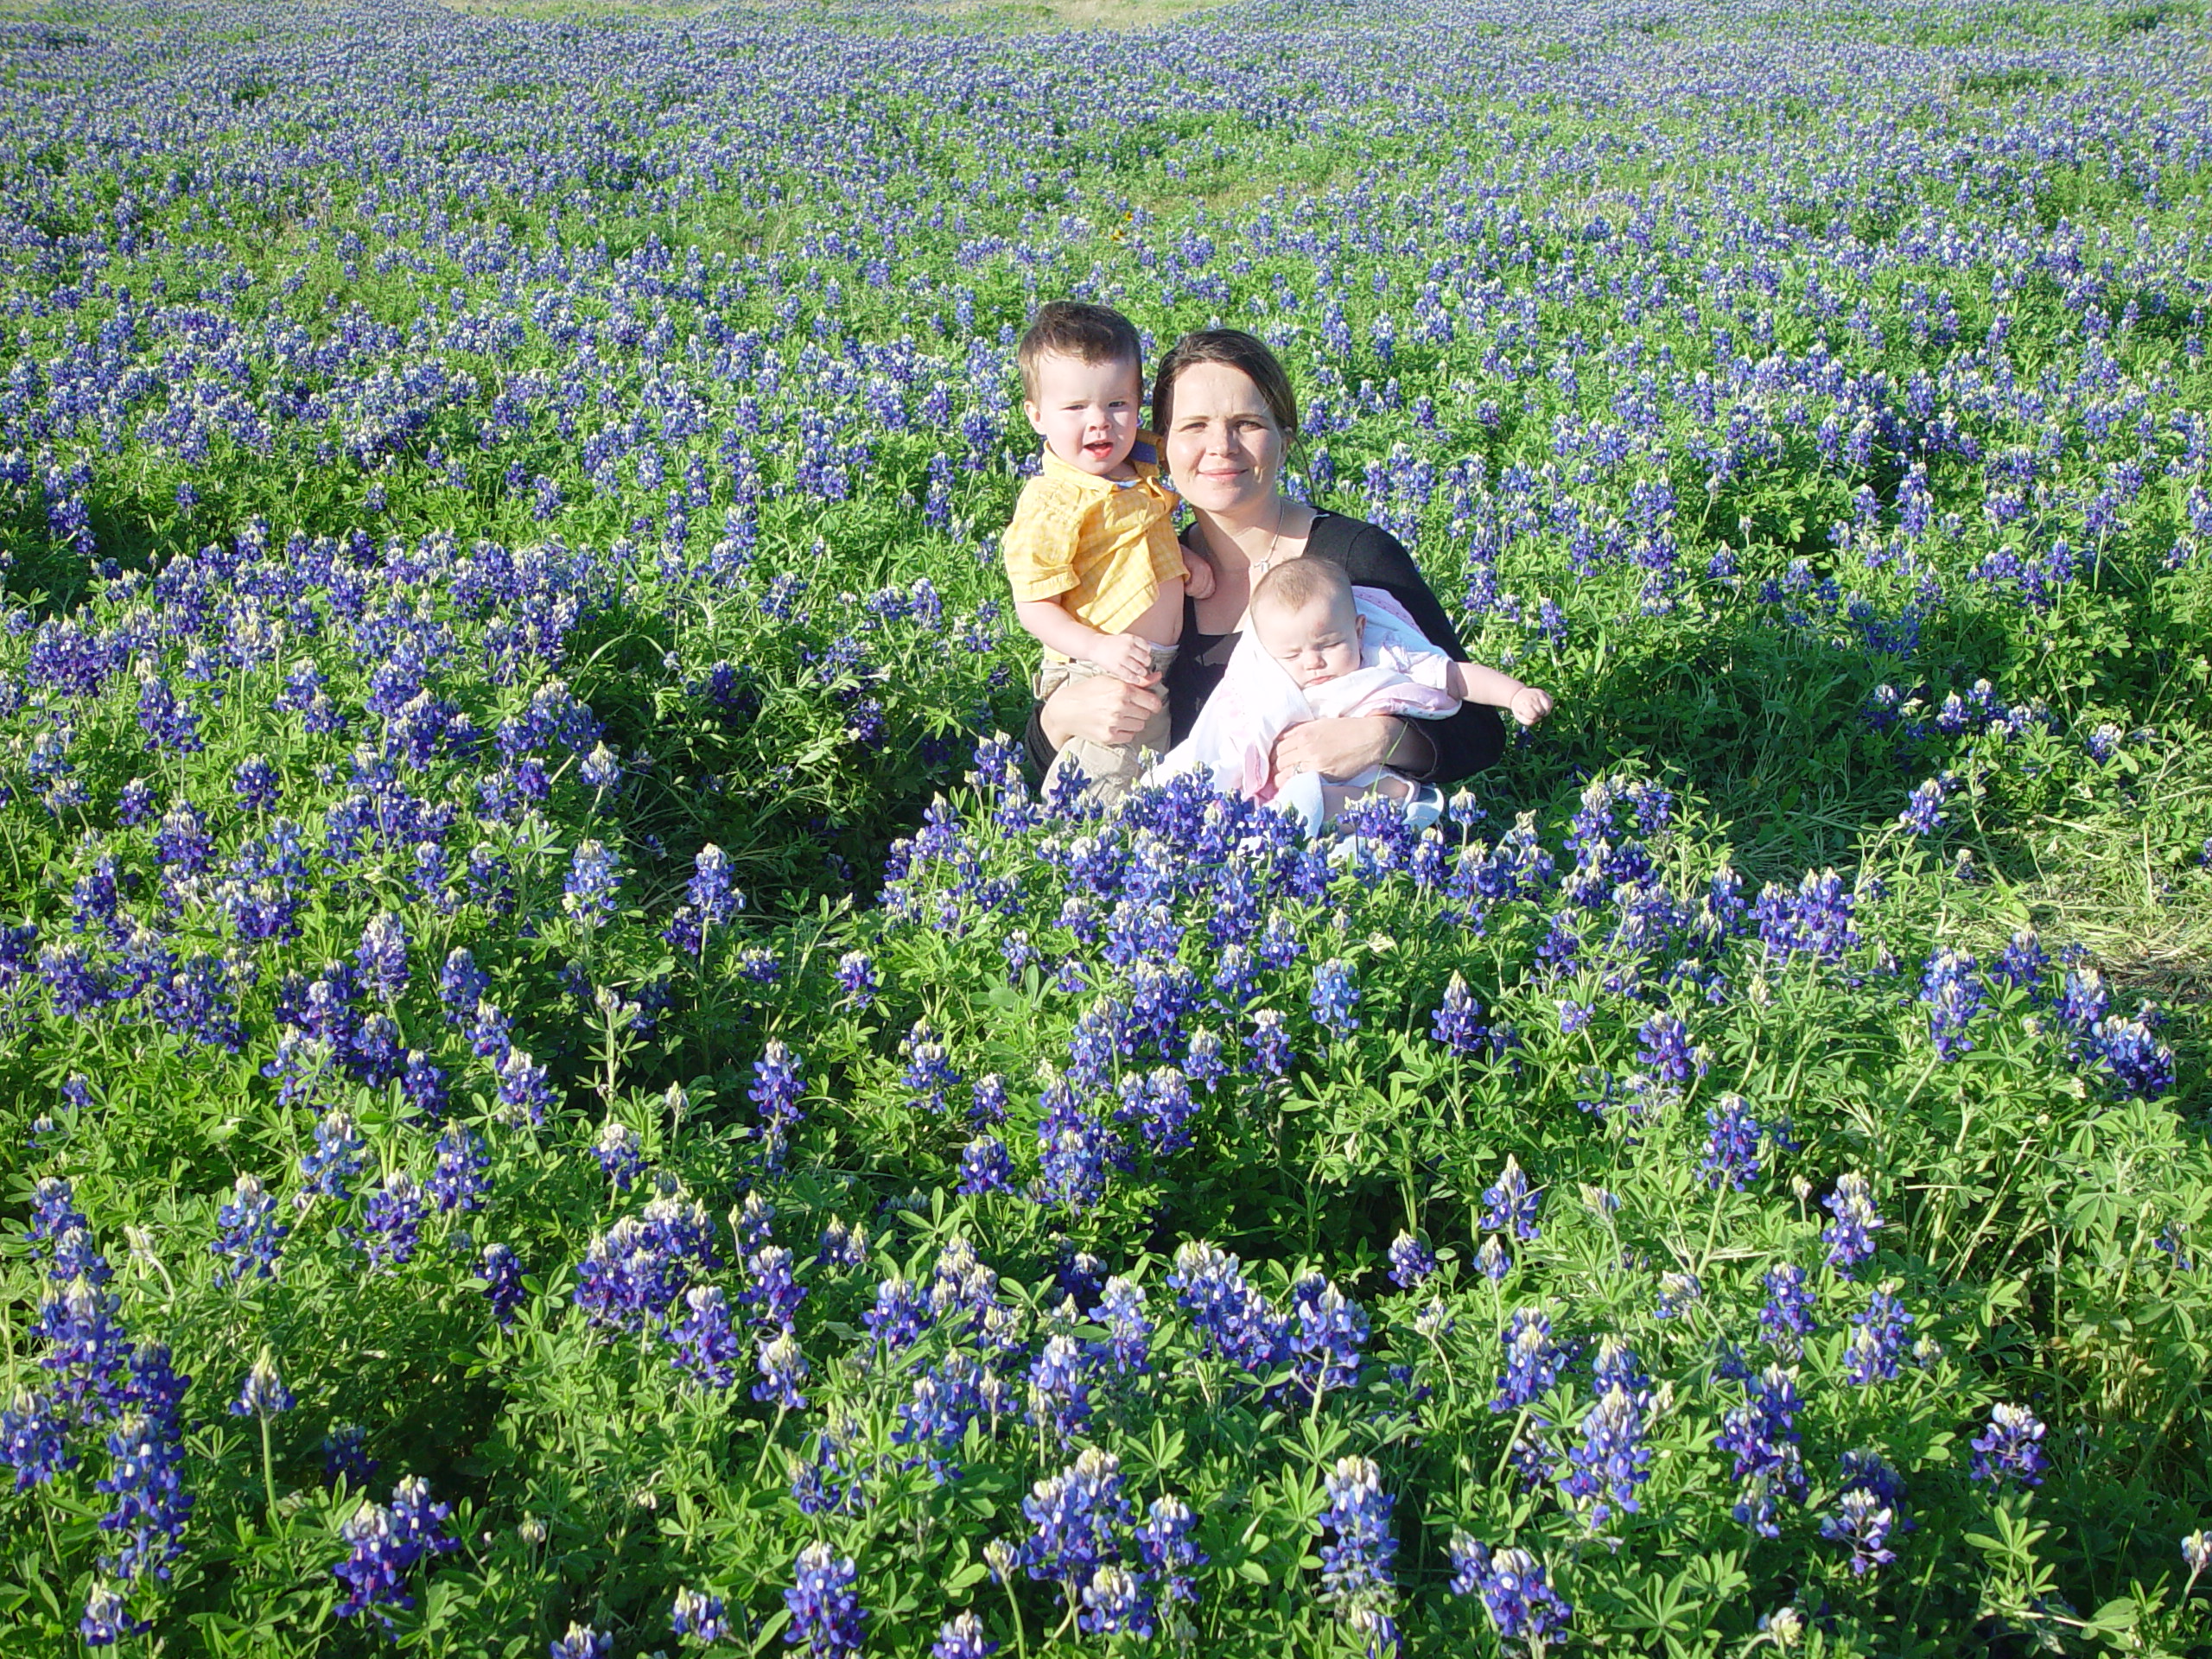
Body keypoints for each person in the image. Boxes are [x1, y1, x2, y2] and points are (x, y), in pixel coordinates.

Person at [1027, 327, 1509, 805]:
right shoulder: (1148, 575)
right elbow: (1044, 768)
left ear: (1284, 438)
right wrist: (1059, 719)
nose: (1222, 446)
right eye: (1195, 426)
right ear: (1161, 445)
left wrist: (1383, 739)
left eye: (1247, 424)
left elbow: (1479, 731)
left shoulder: (1356, 558)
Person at [1157, 556, 1551, 830]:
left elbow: (1454, 676)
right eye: (1293, 654)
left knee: (1388, 793)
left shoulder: (1385, 655)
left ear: (1359, 630)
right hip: (1299, 790)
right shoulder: (1268, 682)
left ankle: (1380, 820)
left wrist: (1515, 694)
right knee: (1299, 801)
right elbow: (1229, 742)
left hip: (1373, 782)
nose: (1312, 662)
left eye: (1328, 645)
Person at [1001, 301, 1215, 802]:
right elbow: (1033, 607)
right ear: (1036, 415)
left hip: (1150, 667)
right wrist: (1098, 648)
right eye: (1075, 408)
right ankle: (1074, 859)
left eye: (1117, 404)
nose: (1099, 423)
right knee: (1105, 788)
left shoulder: (1137, 464)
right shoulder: (1052, 502)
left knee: (1147, 779)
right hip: (1099, 667)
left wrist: (1185, 564)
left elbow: (1137, 543)